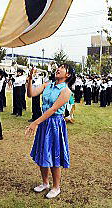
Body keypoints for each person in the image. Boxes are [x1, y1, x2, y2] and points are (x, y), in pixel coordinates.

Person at [25, 63, 76, 199]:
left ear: (68, 75)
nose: (58, 69)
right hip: (44, 122)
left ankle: (56, 187)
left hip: (55, 124)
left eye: (62, 68)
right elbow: (31, 94)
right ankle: (45, 183)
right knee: (43, 152)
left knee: (54, 155)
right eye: (58, 67)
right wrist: (29, 79)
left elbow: (53, 109)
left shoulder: (66, 91)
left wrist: (35, 122)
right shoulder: (48, 85)